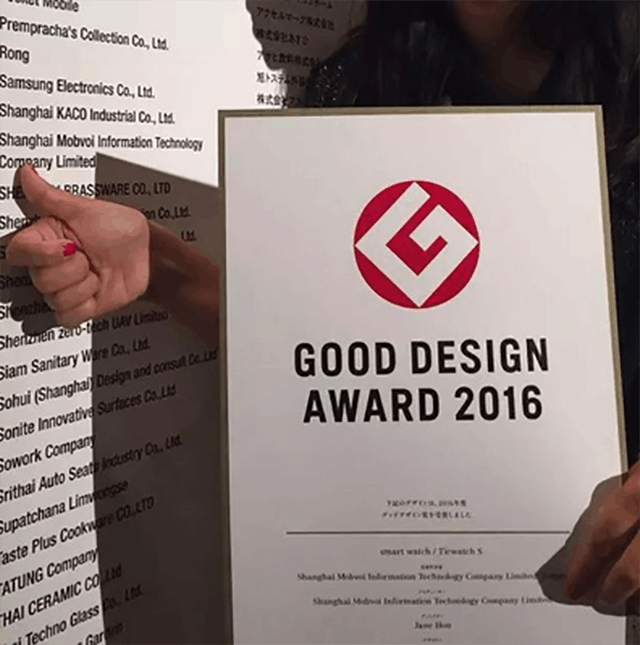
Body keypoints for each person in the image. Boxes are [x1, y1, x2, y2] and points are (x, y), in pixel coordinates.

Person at [5, 0, 639, 612]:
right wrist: (160, 268)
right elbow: (323, 354)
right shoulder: (356, 85)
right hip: (385, 566)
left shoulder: (630, 72)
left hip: (591, 548)